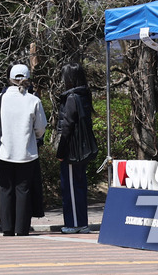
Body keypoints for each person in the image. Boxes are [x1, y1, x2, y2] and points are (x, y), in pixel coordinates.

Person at [0, 64, 46, 237]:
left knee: (5, 189)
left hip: (4, 151)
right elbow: (40, 128)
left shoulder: (0, 99)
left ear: (10, 79)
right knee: (23, 190)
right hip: (26, 153)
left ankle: (7, 228)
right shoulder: (33, 100)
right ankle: (22, 229)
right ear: (28, 78)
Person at [55, 63, 97, 234]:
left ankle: (74, 223)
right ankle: (82, 222)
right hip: (82, 149)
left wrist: (60, 151)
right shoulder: (84, 94)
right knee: (79, 186)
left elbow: (67, 126)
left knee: (71, 187)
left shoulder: (71, 97)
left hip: (72, 150)